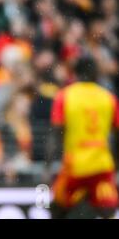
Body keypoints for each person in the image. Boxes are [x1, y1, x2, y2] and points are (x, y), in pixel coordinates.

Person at [48, 56, 119, 219]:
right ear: (96, 73)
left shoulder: (64, 96)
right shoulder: (109, 98)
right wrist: (115, 163)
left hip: (75, 166)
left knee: (56, 208)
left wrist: (49, 165)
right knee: (108, 210)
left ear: (76, 73)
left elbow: (56, 134)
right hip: (102, 165)